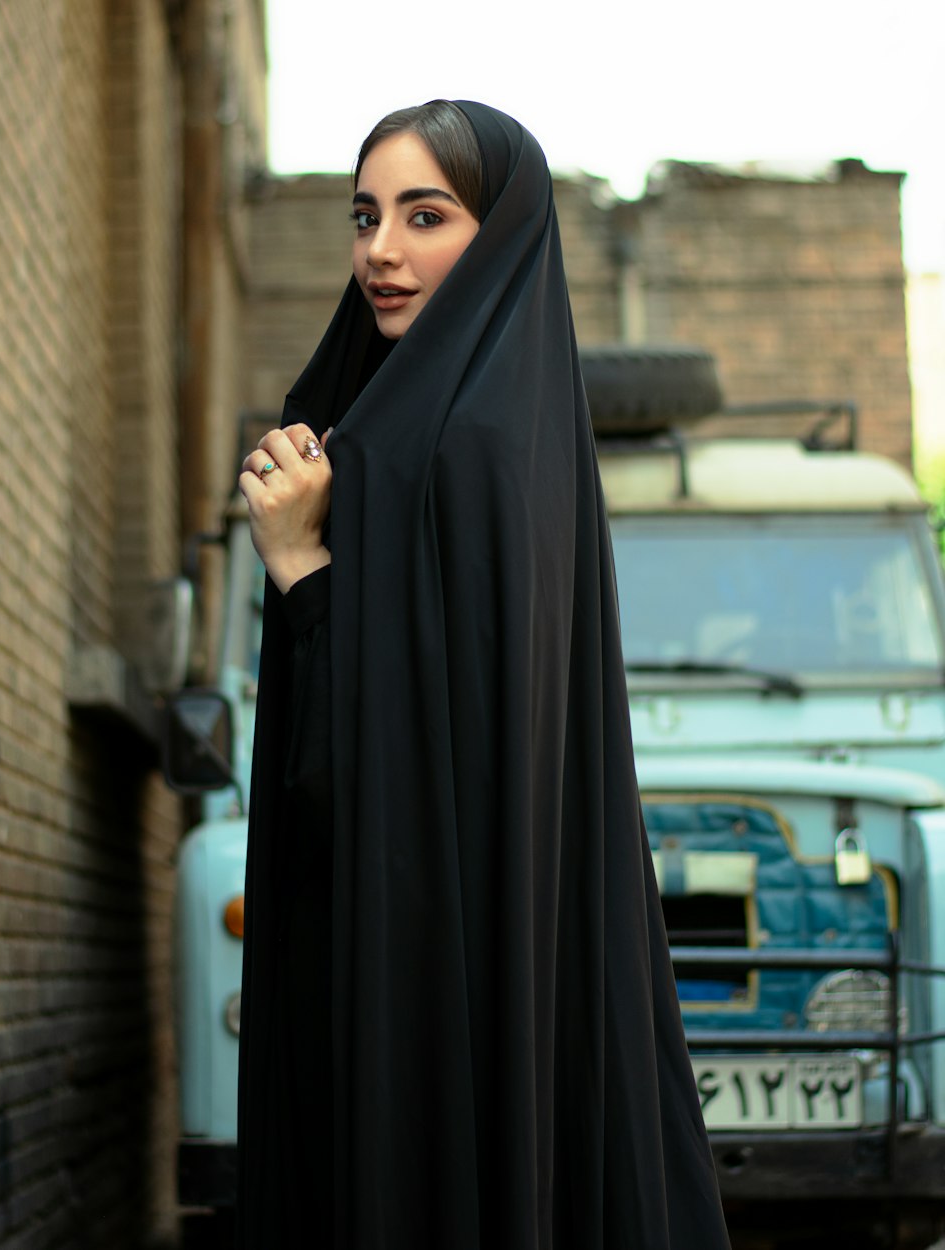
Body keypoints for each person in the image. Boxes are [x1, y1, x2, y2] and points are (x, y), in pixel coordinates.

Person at [236, 99, 731, 1250]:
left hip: (429, 962)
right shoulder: (512, 426)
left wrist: (304, 565)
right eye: (364, 217)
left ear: (500, 232)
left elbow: (393, 761)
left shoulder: (448, 448)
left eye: (425, 214)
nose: (381, 253)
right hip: (493, 936)